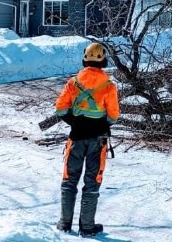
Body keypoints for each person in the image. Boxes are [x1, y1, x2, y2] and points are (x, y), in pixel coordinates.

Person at [55, 42, 120, 237]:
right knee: (92, 182)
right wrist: (100, 124)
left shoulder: (73, 82)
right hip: (98, 140)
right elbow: (113, 116)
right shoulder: (108, 85)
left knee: (69, 180)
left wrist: (75, 122)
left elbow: (60, 109)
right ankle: (87, 227)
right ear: (104, 61)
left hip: (75, 138)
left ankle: (65, 224)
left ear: (85, 59)